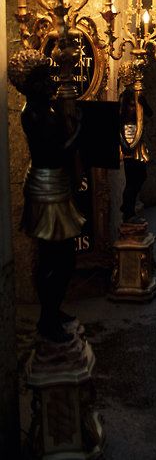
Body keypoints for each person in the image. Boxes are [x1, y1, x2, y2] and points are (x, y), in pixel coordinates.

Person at [7, 49, 86, 343]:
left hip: (55, 186)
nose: (49, 84)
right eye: (42, 80)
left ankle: (53, 310)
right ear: (28, 86)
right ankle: (47, 318)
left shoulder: (45, 109)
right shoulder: (34, 114)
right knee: (55, 257)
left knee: (62, 257)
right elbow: (54, 154)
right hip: (46, 187)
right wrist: (79, 131)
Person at [118, 63, 153, 223]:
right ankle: (128, 210)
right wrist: (124, 143)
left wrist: (143, 102)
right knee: (132, 178)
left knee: (141, 176)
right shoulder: (125, 96)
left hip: (138, 137)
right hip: (129, 136)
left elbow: (149, 113)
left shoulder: (138, 95)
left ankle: (128, 207)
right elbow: (118, 120)